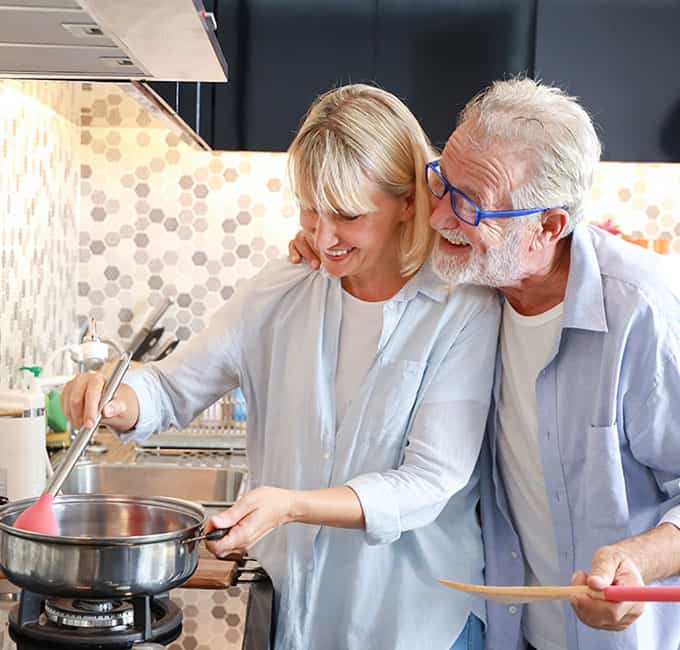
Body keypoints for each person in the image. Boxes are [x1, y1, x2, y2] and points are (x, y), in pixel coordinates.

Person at [62, 84, 500, 650]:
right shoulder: (282, 290)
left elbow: (428, 482)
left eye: (346, 214)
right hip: (299, 612)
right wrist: (117, 399)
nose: (323, 236)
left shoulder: (462, 308)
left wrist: (293, 505)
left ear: (408, 202)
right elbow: (172, 387)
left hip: (417, 619)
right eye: (310, 210)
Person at [290, 77, 680, 650]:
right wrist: (326, 241)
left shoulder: (644, 314)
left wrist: (638, 558)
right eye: (442, 181)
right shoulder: (475, 283)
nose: (440, 214)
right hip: (514, 632)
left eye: (470, 202)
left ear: (547, 227)